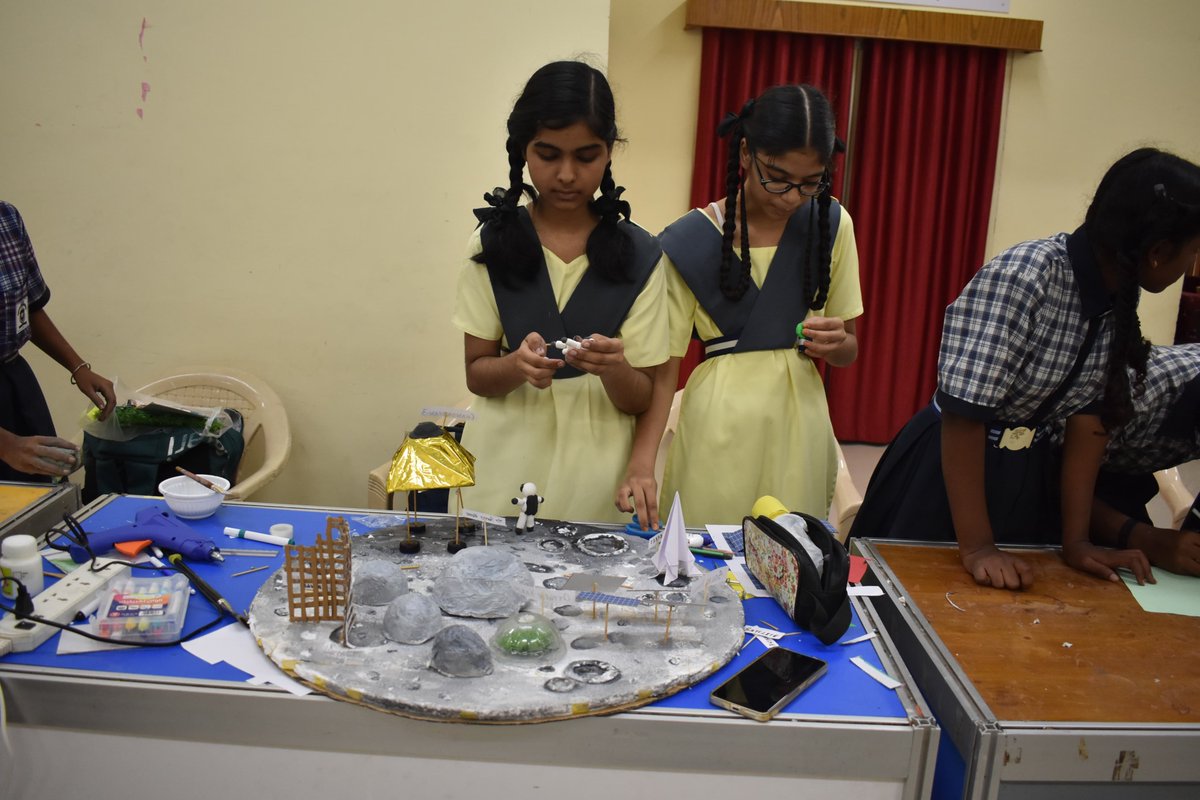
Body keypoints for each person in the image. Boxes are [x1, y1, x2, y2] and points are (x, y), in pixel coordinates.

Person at [850, 148, 1200, 589]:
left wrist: (1075, 541)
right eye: (1192, 251)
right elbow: (963, 416)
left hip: (1022, 473)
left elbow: (1087, 424)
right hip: (947, 472)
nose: (1189, 264)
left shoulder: (1117, 299)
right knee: (905, 601)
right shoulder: (1028, 275)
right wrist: (977, 546)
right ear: (1157, 251)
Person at [617, 84, 863, 528]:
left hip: (800, 423)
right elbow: (664, 367)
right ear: (746, 153)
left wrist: (837, 343)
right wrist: (642, 462)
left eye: (811, 183)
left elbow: (849, 349)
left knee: (790, 559)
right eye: (778, 176)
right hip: (718, 424)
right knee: (708, 557)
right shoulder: (687, 241)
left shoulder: (831, 223)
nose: (791, 196)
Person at [453, 61, 668, 523]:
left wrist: (613, 369)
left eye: (586, 156)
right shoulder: (491, 244)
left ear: (609, 152)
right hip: (501, 466)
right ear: (523, 151)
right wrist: (515, 365)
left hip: (598, 474)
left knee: (584, 592)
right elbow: (477, 373)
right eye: (548, 155)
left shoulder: (640, 256)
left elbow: (640, 398)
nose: (567, 174)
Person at [0, 201, 114, 481]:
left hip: (12, 379)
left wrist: (78, 367)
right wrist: (7, 446)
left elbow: (30, 304)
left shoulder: (7, 218)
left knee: (41, 490)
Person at [1091, 343, 1200, 576]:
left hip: (1122, 479)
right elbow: (1038, 475)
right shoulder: (1139, 392)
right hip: (1041, 481)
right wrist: (1143, 538)